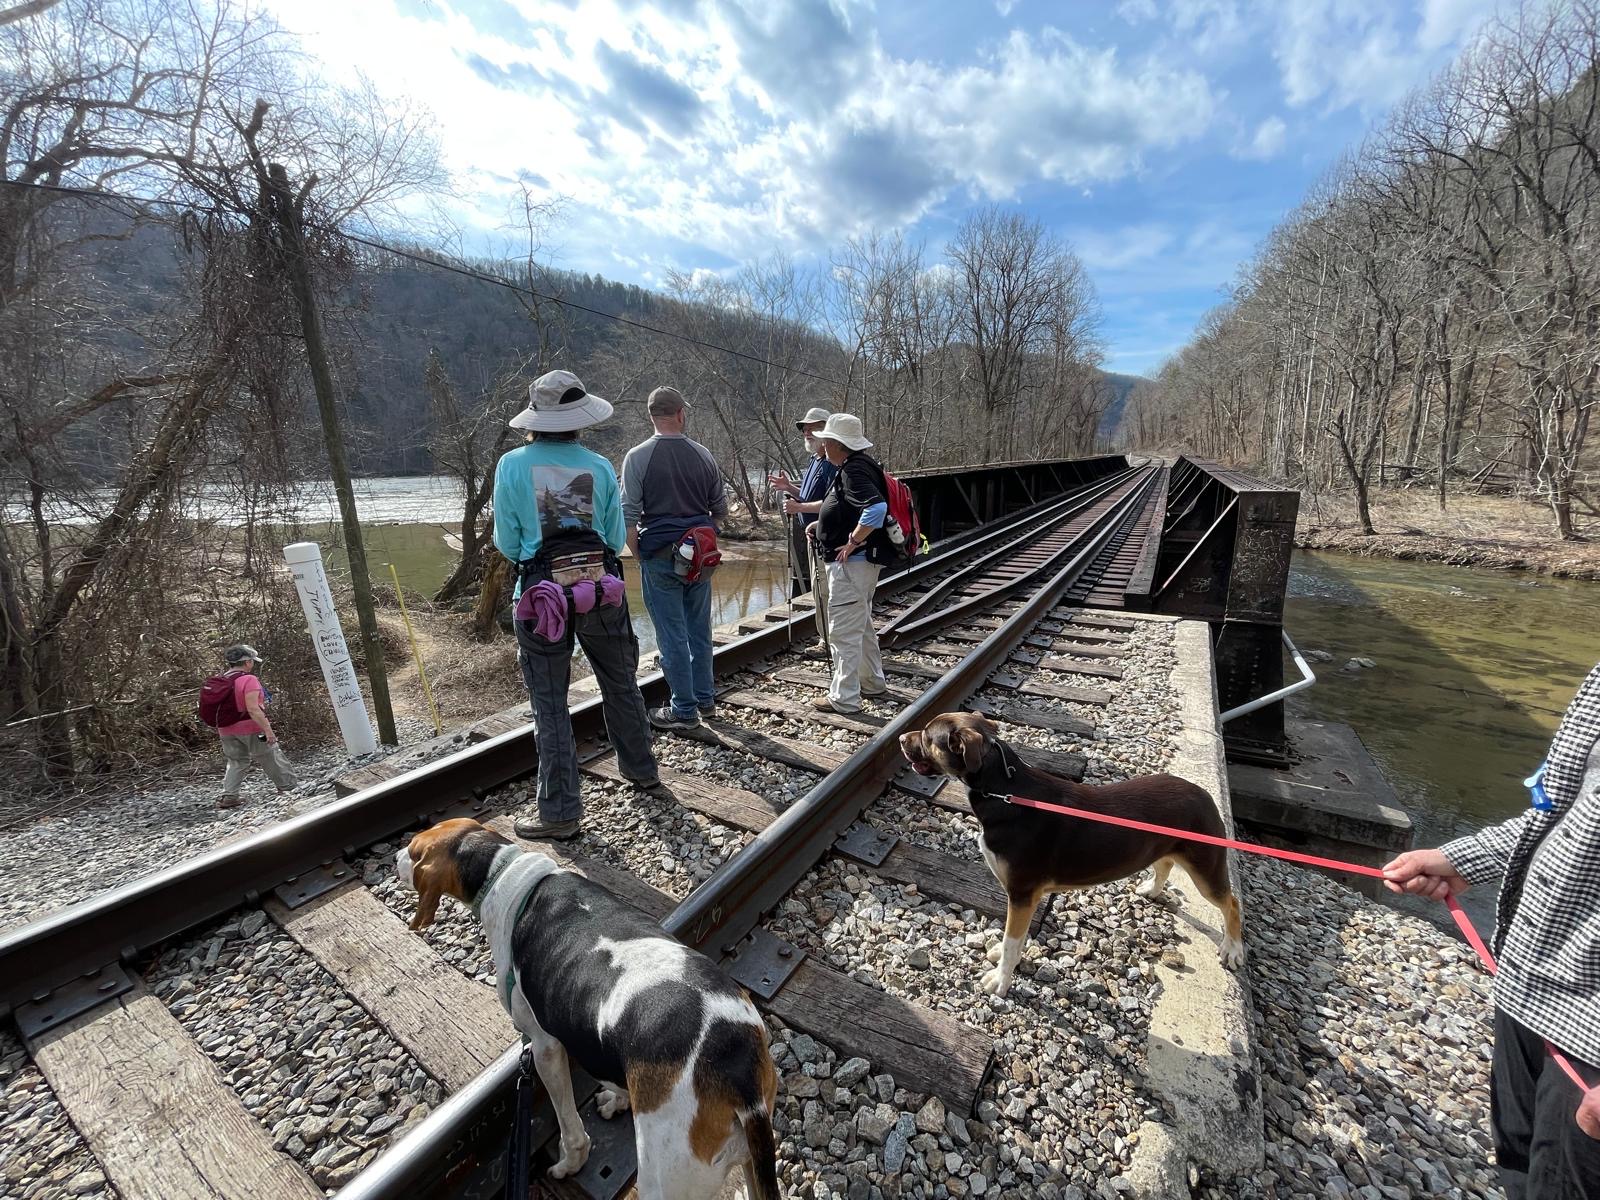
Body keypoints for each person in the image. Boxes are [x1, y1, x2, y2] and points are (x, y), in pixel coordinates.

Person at [1384, 661, 1600, 1199]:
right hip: (1531, 981)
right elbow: (1566, 815)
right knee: (1519, 1167)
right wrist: (1462, 859)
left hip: (1590, 1034)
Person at [494, 369, 661, 841]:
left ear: (536, 420)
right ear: (578, 420)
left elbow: (508, 542)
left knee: (550, 702)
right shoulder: (600, 466)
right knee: (620, 682)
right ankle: (642, 770)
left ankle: (561, 813)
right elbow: (611, 538)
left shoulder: (511, 466)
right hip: (601, 586)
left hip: (541, 591)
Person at [621, 386, 728, 731]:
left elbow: (628, 518)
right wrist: (701, 541)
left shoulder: (637, 457)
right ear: (681, 414)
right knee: (699, 631)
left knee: (672, 636)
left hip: (659, 556)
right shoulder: (704, 455)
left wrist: (640, 558)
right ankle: (706, 699)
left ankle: (684, 710)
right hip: (700, 558)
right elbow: (720, 511)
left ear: (651, 416)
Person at [809, 412, 891, 715]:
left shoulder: (853, 471)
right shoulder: (862, 465)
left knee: (843, 631)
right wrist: (819, 527)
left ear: (837, 443)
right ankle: (872, 683)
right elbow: (849, 508)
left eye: (826, 441)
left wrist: (853, 541)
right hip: (862, 564)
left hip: (852, 564)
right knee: (862, 624)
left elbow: (875, 509)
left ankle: (844, 698)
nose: (823, 446)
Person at [212, 644, 297, 809]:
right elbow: (253, 709)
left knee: (236, 762)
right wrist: (268, 730)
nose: (252, 664)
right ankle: (288, 787)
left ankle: (229, 796)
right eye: (252, 660)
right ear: (247, 662)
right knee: (269, 754)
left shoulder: (221, 679)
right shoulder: (248, 679)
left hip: (226, 730)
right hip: (253, 730)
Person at [767, 407, 835, 608]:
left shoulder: (832, 463)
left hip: (828, 537)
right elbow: (809, 496)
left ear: (825, 431)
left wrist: (799, 508)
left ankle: (828, 638)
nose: (806, 433)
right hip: (813, 537)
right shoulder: (814, 459)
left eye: (811, 428)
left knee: (826, 592)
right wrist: (789, 487)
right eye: (804, 429)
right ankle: (824, 636)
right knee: (818, 591)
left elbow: (833, 503)